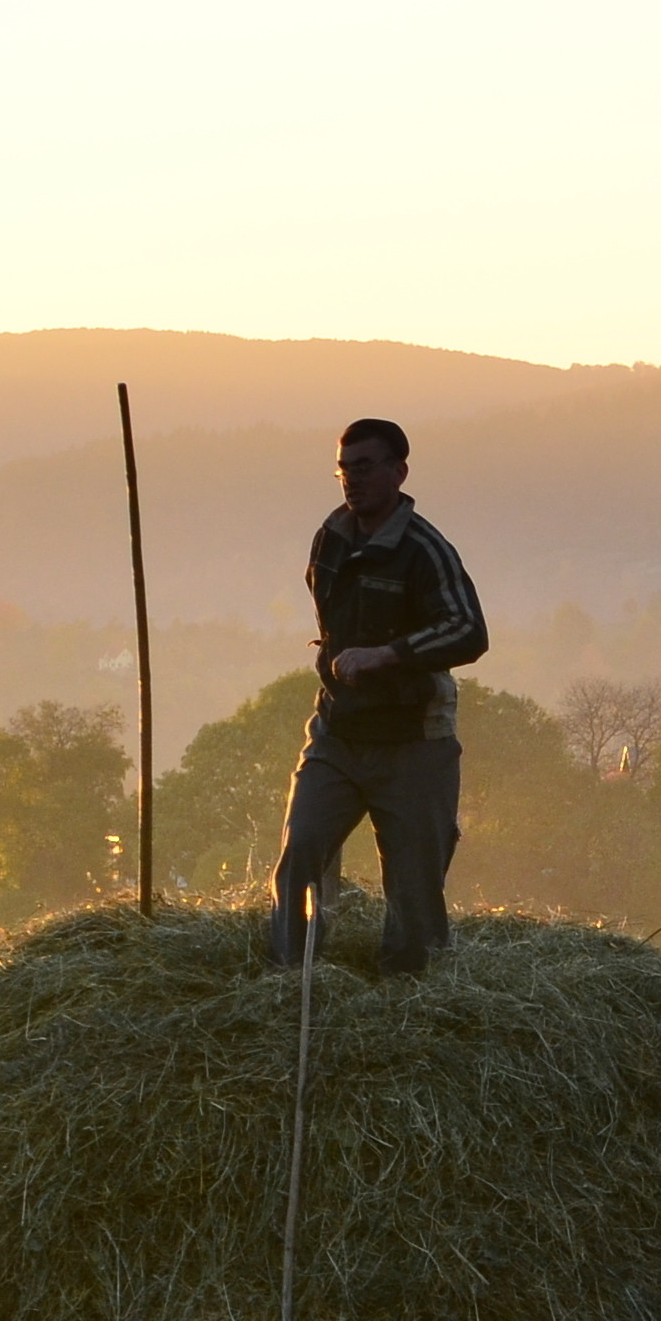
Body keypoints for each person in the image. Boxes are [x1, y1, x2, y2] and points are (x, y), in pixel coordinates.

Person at [268, 416, 489, 972]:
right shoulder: (331, 539)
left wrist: (387, 655)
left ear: (399, 471)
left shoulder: (425, 550)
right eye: (343, 469)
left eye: (364, 467)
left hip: (414, 742)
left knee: (414, 888)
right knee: (300, 852)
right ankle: (286, 976)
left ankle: (409, 995)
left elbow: (469, 631)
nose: (351, 480)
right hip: (338, 734)